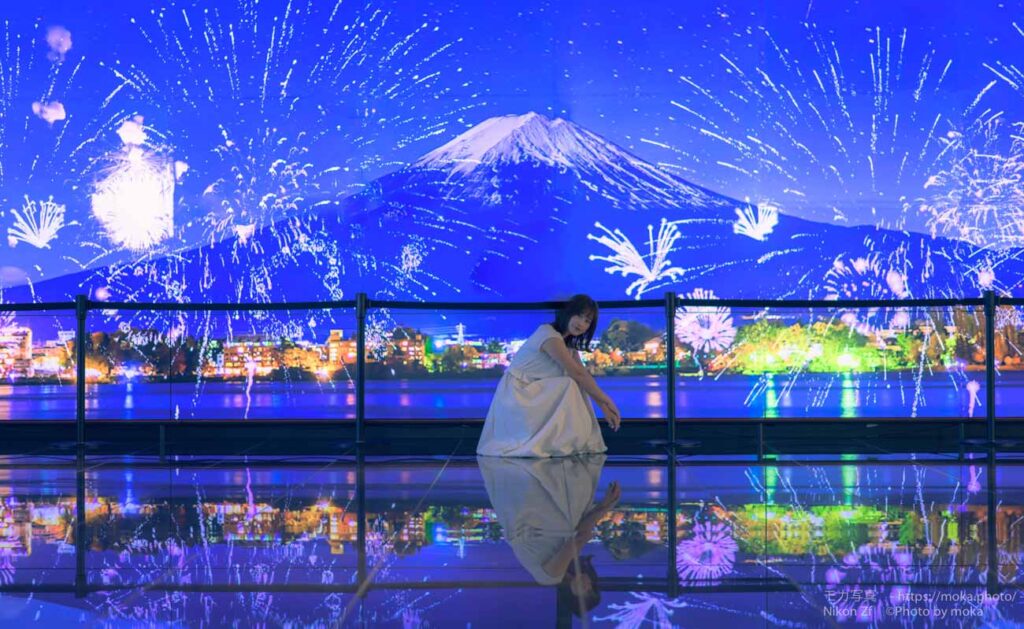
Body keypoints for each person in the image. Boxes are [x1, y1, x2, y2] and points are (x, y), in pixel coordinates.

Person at [477, 294, 621, 458]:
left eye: (587, 321)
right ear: (568, 313)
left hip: (531, 393)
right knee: (569, 384)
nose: (581, 323)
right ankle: (566, 441)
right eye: (579, 316)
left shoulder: (567, 344)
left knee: (575, 384)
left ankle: (572, 440)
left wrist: (603, 406)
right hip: (516, 395)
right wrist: (608, 401)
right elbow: (578, 373)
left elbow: (583, 376)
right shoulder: (549, 335)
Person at [478, 455, 621, 617]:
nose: (588, 584)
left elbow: (580, 537)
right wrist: (604, 506)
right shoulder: (556, 573)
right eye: (592, 587)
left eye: (586, 591)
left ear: (572, 595)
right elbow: (579, 533)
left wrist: (604, 507)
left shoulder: (551, 576)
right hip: (525, 502)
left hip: (528, 501)